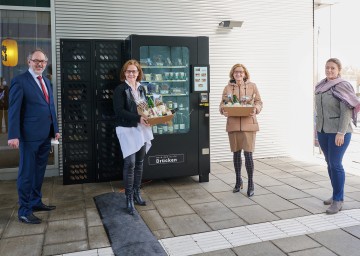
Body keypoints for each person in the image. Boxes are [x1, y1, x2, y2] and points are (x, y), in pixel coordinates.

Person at [8, 49, 60, 224]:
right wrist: (13, 135)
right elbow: (14, 110)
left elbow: (50, 107)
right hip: (28, 136)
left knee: (39, 172)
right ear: (29, 61)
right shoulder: (20, 81)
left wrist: (56, 129)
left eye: (43, 61)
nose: (40, 64)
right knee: (26, 174)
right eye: (36, 61)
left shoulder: (46, 81)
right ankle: (24, 210)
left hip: (45, 135)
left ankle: (36, 202)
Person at [315, 58, 360, 214]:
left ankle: (338, 200)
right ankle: (335, 195)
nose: (329, 70)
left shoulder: (343, 85)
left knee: (335, 164)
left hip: (339, 132)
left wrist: (340, 132)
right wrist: (317, 129)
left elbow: (346, 111)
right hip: (323, 131)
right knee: (329, 164)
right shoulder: (321, 85)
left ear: (338, 70)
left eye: (332, 68)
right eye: (327, 68)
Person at [113, 59, 153, 215]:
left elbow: (145, 107)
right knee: (130, 164)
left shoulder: (142, 88)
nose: (131, 74)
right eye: (128, 71)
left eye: (134, 71)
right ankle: (128, 198)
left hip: (141, 128)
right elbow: (119, 111)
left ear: (138, 73)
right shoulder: (120, 89)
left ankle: (137, 193)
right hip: (126, 129)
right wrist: (138, 118)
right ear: (124, 73)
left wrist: (150, 117)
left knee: (140, 163)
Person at [219, 64, 263, 197]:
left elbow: (259, 102)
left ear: (245, 74)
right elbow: (222, 103)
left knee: (248, 155)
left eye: (241, 72)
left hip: (249, 124)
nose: (238, 74)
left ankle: (250, 183)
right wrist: (223, 110)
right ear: (233, 74)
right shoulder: (227, 88)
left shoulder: (252, 86)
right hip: (233, 124)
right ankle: (238, 180)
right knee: (236, 154)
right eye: (236, 72)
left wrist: (255, 109)